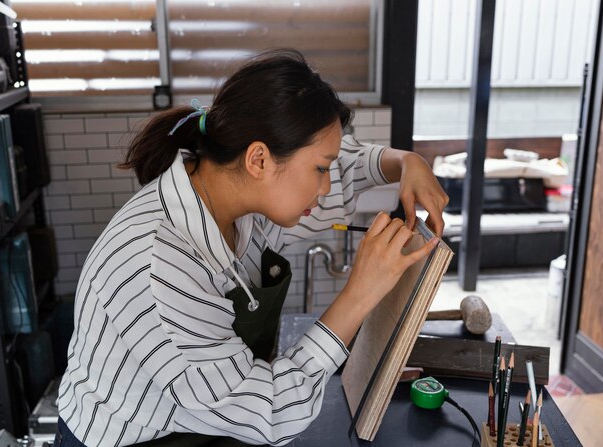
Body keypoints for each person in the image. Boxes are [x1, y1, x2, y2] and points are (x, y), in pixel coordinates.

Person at [54, 49, 448, 447]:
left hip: (199, 421)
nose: (327, 185)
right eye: (320, 169)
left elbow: (341, 161)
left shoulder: (231, 192)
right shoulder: (158, 266)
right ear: (258, 159)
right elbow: (270, 413)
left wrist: (405, 162)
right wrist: (359, 294)